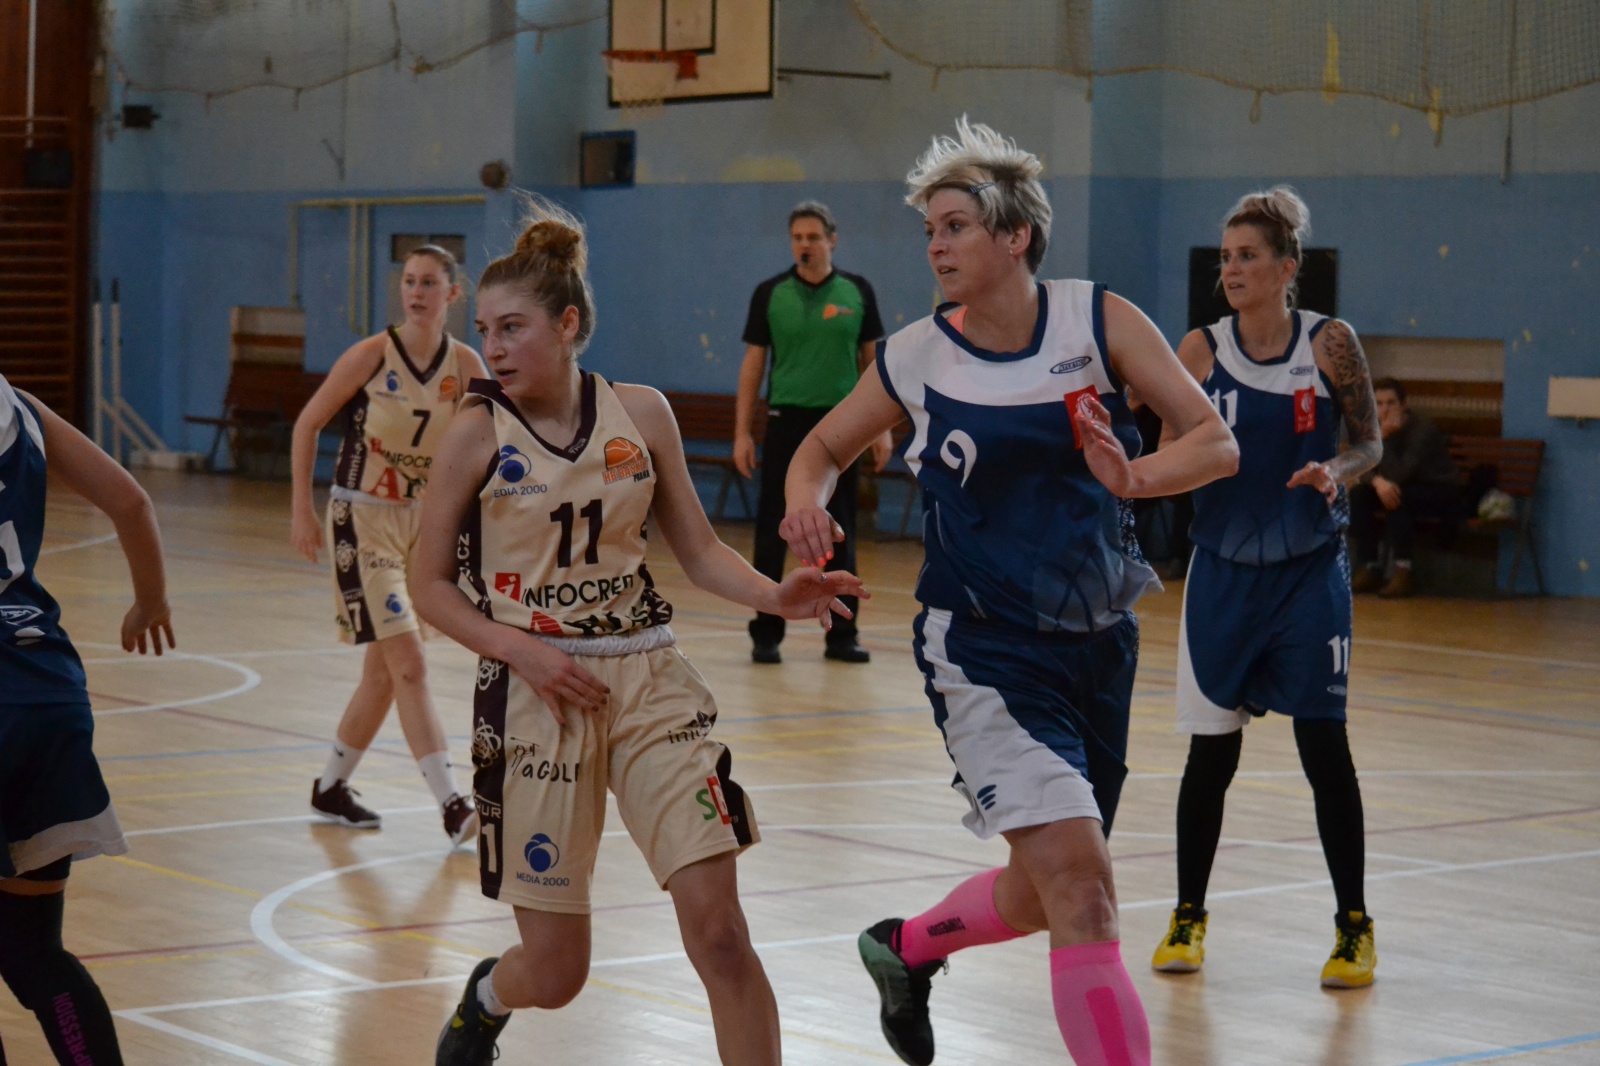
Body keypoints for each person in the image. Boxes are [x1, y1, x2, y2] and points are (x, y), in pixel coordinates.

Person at [781, 118, 1238, 1066]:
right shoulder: (916, 354)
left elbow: (1214, 441)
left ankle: (907, 948)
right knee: (1085, 891)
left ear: (1016, 234)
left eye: (955, 226)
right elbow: (820, 448)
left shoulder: (1097, 321)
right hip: (983, 648)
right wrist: (804, 506)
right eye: (930, 231)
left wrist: (1136, 478)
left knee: (1045, 892)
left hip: (1099, 645)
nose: (937, 246)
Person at [411, 198, 866, 1066]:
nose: (493, 347)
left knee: (721, 934)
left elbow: (698, 552)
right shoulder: (475, 434)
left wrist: (778, 596)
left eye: (512, 328)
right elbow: (427, 586)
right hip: (537, 692)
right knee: (557, 972)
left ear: (568, 325)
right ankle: (488, 996)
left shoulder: (641, 414)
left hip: (648, 677)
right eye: (485, 330)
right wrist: (521, 648)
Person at [1150, 187, 1384, 989]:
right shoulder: (1198, 351)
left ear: (1288, 268)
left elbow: (1370, 442)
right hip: (1220, 574)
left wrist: (1337, 469)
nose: (1232, 269)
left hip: (1309, 571)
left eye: (1248, 256)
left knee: (1325, 750)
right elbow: (1167, 453)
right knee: (1209, 757)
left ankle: (1354, 928)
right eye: (1226, 257)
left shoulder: (1330, 344)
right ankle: (1187, 917)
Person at [1, 372, 176, 1065]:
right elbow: (131, 501)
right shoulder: (19, 405)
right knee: (33, 952)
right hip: (47, 697)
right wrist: (151, 601)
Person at [289, 245, 489, 843]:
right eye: (409, 282)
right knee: (411, 662)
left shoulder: (466, 363)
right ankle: (452, 804)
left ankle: (330, 788)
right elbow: (308, 424)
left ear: (453, 294)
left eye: (429, 283)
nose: (417, 292)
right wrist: (302, 508)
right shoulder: (372, 355)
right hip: (363, 518)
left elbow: (494, 441)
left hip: (425, 525)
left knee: (383, 674)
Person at [734, 200, 892, 665]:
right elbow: (754, 364)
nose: (805, 245)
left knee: (840, 532)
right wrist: (742, 432)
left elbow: (874, 362)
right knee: (773, 530)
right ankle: (766, 633)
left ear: (832, 241)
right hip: (786, 422)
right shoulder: (770, 293)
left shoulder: (856, 291)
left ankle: (842, 636)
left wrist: (881, 430)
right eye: (798, 238)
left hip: (842, 427)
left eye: (814, 237)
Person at [1347, 377, 1463, 598]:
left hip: (1440, 489)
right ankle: (1369, 565)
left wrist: (1384, 440)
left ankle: (1403, 569)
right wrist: (1376, 481)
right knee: (1359, 495)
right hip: (1401, 487)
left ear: (1404, 404)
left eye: (1391, 403)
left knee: (1396, 495)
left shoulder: (1422, 429)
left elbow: (1400, 474)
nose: (1385, 410)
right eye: (1379, 403)